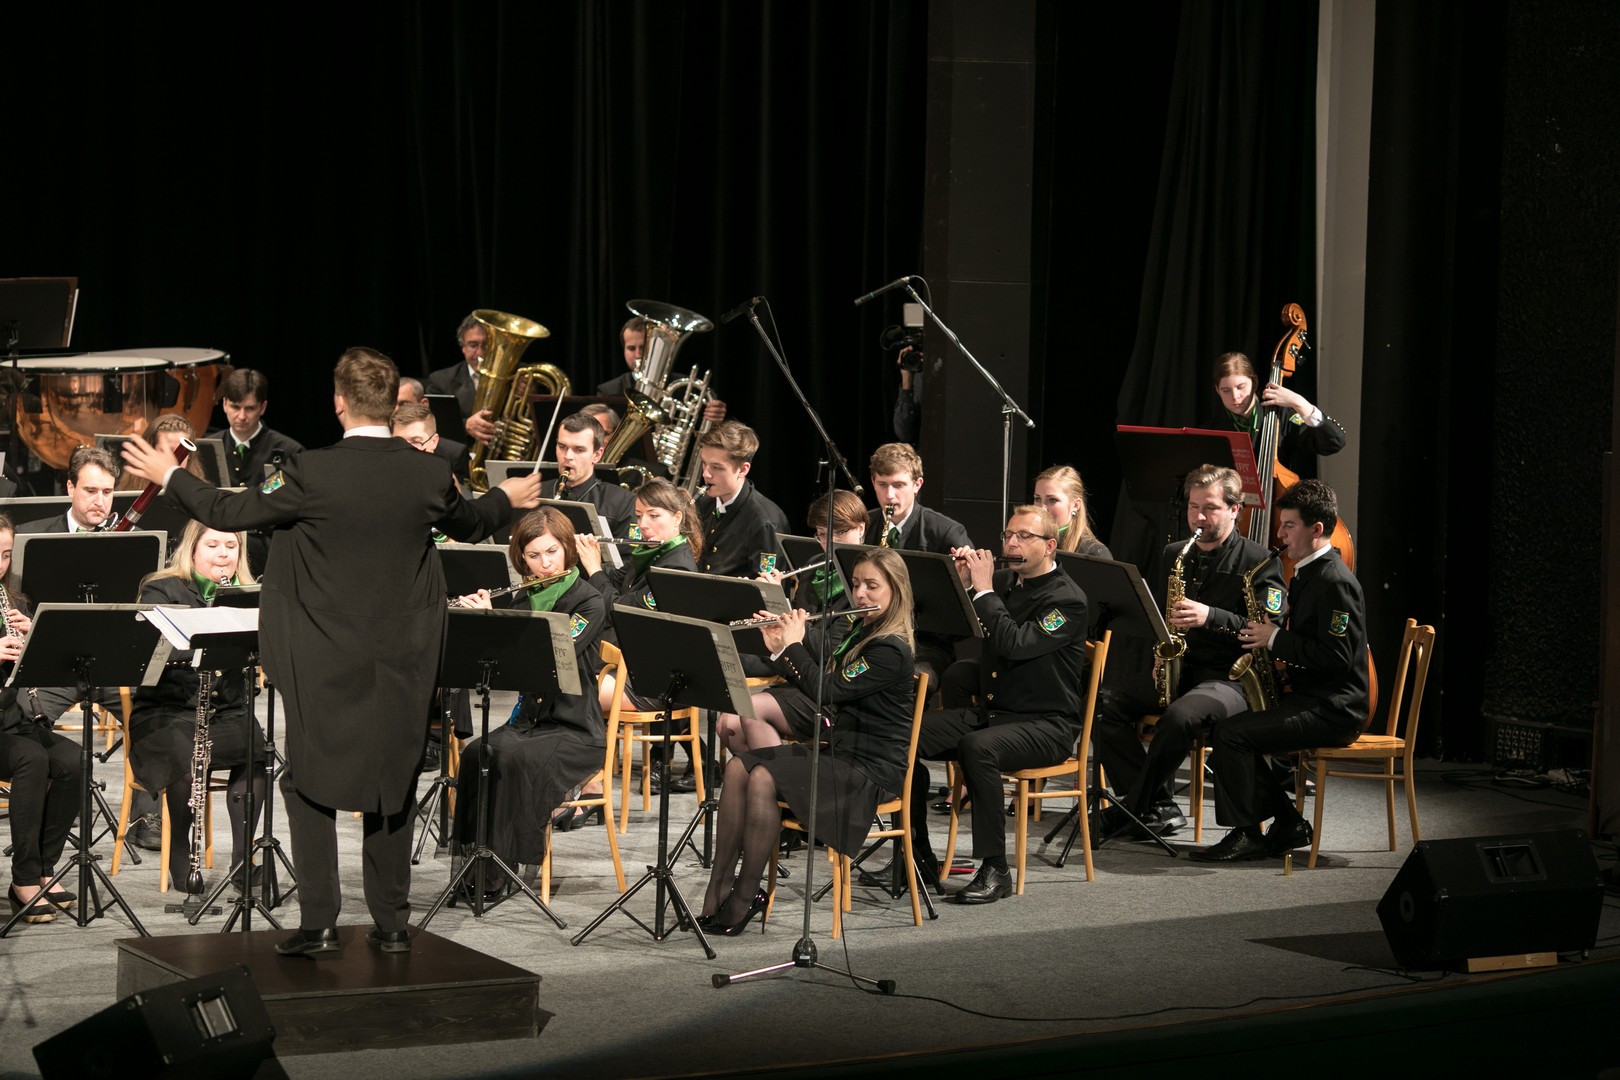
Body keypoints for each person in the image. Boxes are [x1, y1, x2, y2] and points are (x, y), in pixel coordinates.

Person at [120, 346, 542, 958]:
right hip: (402, 659)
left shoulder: (308, 471)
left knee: (309, 784)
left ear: (339, 403)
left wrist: (169, 475)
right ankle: (392, 925)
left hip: (320, 658)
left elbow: (228, 510)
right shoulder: (427, 473)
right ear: (394, 404)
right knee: (393, 784)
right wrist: (509, 496)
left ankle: (319, 923)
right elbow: (474, 523)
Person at [698, 547, 917, 936]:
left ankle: (746, 896)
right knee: (738, 767)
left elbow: (826, 691)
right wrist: (780, 648)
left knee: (763, 775)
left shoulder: (890, 648)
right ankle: (717, 889)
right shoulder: (862, 631)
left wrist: (794, 645)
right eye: (856, 584)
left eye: (872, 586)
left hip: (870, 769)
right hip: (840, 754)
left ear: (896, 591)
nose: (860, 594)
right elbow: (819, 679)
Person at [908, 506, 1090, 905]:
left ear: (1050, 546)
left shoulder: (1068, 600)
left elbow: (1015, 645)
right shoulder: (1005, 583)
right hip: (996, 714)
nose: (1011, 543)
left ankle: (996, 869)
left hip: (1047, 725)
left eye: (1024, 536)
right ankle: (916, 856)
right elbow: (955, 626)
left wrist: (984, 590)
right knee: (903, 735)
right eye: (1008, 535)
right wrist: (961, 585)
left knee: (978, 747)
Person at [1091, 465, 1284, 840]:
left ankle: (1132, 809)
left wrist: (1210, 616)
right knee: (1102, 704)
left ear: (1235, 509)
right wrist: (1159, 651)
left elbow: (1268, 626)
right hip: (1182, 670)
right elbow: (1161, 615)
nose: (1198, 517)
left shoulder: (1260, 560)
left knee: (1179, 717)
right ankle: (1158, 804)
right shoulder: (1174, 553)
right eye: (1194, 507)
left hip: (1231, 677)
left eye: (1209, 508)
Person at [1193, 479, 1369, 862]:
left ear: (1316, 529)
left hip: (1334, 709)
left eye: (1289, 526)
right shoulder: (1308, 572)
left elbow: (1336, 658)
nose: (1280, 535)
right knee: (1230, 729)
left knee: (1232, 735)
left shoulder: (1335, 582)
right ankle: (1287, 822)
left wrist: (1274, 639)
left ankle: (1248, 834)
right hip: (1310, 698)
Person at [452, 508, 608, 892]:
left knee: (511, 758)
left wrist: (497, 623)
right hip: (527, 722)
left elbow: (551, 657)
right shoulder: (523, 595)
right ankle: (478, 865)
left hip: (573, 727)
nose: (545, 563)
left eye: (552, 552)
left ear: (567, 548)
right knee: (477, 754)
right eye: (534, 555)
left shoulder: (588, 601)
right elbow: (502, 666)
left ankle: (500, 869)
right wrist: (481, 623)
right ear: (521, 557)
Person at [128, 520, 265, 899]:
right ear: (192, 549)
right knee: (184, 758)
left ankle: (243, 858)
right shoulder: (161, 588)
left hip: (226, 708)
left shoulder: (248, 594)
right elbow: (149, 647)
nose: (223, 555)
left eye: (231, 547)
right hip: (166, 710)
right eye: (213, 546)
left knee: (255, 752)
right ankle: (179, 848)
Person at [574, 478, 703, 793]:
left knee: (572, 693)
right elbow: (616, 581)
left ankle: (588, 784)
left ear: (677, 517)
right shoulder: (652, 553)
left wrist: (594, 568)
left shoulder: (676, 570)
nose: (643, 524)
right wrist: (577, 557)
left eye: (654, 515)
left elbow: (618, 611)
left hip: (654, 682)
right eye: (639, 515)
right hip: (630, 667)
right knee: (562, 680)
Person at [717, 490, 867, 755]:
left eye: (840, 532)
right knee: (727, 723)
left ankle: (778, 777)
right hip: (802, 679)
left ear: (861, 529)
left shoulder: (866, 581)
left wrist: (786, 615)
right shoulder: (815, 567)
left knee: (751, 713)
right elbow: (795, 638)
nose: (830, 543)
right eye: (822, 534)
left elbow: (832, 650)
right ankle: (764, 780)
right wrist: (769, 600)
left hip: (839, 691)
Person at [0, 515, 82, 924]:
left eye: (5, 555)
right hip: (8, 736)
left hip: (10, 720)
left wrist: (35, 638)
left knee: (73, 760)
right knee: (31, 759)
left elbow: (38, 671)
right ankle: (24, 879)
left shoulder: (13, 602)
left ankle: (46, 869)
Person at [863, 442, 972, 684]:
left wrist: (965, 581)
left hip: (925, 644)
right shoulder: (863, 526)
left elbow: (965, 613)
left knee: (901, 681)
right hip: (869, 635)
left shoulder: (946, 532)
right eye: (882, 484)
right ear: (873, 482)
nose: (889, 495)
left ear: (917, 484)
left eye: (899, 485)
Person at [1214, 352, 1346, 470]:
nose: (1235, 396)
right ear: (1217, 390)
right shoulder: (1212, 427)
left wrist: (1300, 403)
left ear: (1254, 382)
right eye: (1226, 391)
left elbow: (1334, 443)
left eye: (1241, 387)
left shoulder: (1282, 416)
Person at [693, 421, 790, 579]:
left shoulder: (764, 521)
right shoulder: (703, 502)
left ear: (743, 469)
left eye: (716, 467)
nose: (705, 474)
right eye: (704, 464)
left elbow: (768, 586)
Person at [596, 315, 727, 424]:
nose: (638, 355)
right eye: (631, 348)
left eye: (643, 347)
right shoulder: (608, 391)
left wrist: (714, 420)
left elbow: (709, 434)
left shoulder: (688, 389)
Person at [208, 368, 305, 490]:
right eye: (235, 407)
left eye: (250, 408)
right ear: (225, 404)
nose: (242, 416)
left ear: (263, 407)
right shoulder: (207, 448)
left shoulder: (291, 452)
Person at [545, 412, 636, 538]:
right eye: (562, 447)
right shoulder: (533, 493)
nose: (568, 456)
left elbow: (627, 550)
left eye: (579, 450)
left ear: (597, 455)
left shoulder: (623, 501)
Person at [426, 313, 498, 445]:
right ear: (463, 347)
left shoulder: (517, 376)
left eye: (486, 345)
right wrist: (465, 425)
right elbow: (433, 425)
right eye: (473, 345)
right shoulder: (441, 380)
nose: (480, 353)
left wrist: (528, 393)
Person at [18, 445, 120, 533]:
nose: (100, 502)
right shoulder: (28, 533)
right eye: (90, 491)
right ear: (71, 488)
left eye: (106, 492)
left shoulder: (129, 535)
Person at [1033, 465, 1110, 557]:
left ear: (1076, 505)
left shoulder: (1093, 552)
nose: (1042, 508)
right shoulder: (1026, 544)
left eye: (1052, 500)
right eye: (1037, 499)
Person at [391, 401, 471, 488]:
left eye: (415, 441)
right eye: (399, 441)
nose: (405, 449)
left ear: (434, 441)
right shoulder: (385, 473)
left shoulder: (445, 480)